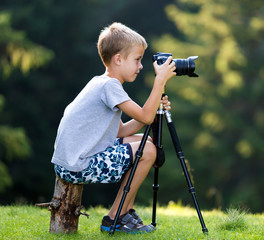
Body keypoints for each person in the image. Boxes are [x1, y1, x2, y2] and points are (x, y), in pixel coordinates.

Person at [51, 22, 176, 234]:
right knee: (148, 150)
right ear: (118, 59)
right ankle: (115, 217)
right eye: (137, 60)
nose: (140, 66)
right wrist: (159, 82)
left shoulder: (100, 82)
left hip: (71, 160)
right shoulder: (110, 86)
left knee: (144, 143)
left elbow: (120, 131)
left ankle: (124, 213)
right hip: (78, 164)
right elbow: (145, 117)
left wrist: (154, 110)